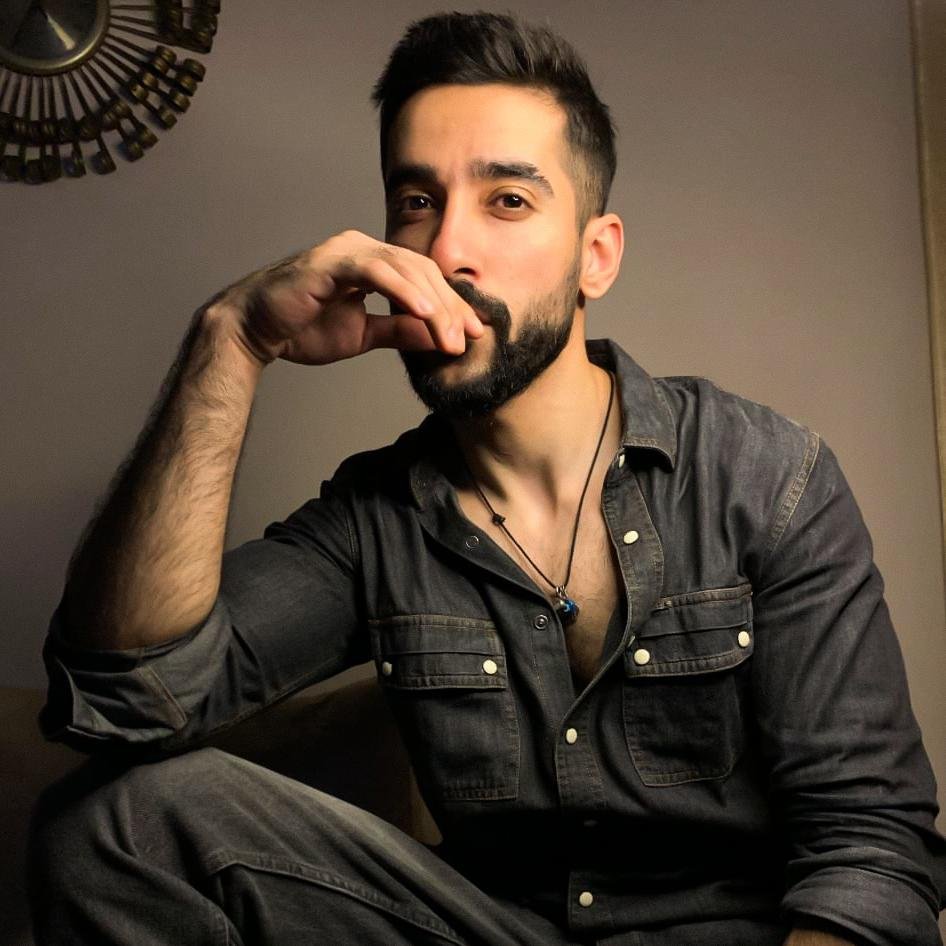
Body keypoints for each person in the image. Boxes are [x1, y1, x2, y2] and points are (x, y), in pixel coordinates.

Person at [29, 11, 945, 946]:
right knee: (114, 826)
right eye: (416, 201)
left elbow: (873, 852)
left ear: (596, 257)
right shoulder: (375, 518)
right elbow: (130, 703)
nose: (444, 251)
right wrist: (232, 340)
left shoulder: (765, 476)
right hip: (494, 930)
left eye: (506, 200)